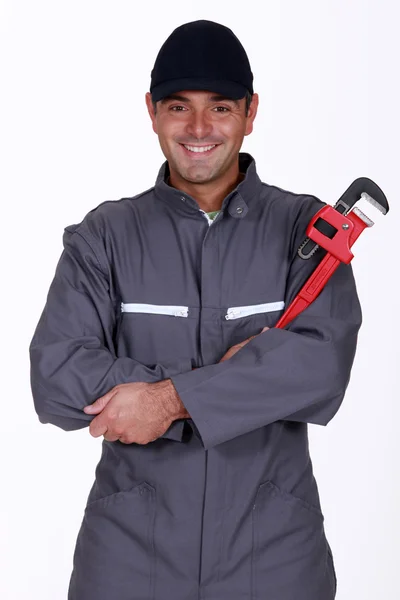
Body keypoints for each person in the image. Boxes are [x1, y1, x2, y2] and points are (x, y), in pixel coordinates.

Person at [29, 19, 361, 600]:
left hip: (275, 554)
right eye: (179, 107)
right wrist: (247, 379)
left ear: (251, 112)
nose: (200, 128)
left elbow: (318, 368)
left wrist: (168, 401)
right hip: (129, 556)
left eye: (222, 107)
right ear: (152, 112)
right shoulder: (103, 237)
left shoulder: (307, 234)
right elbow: (57, 377)